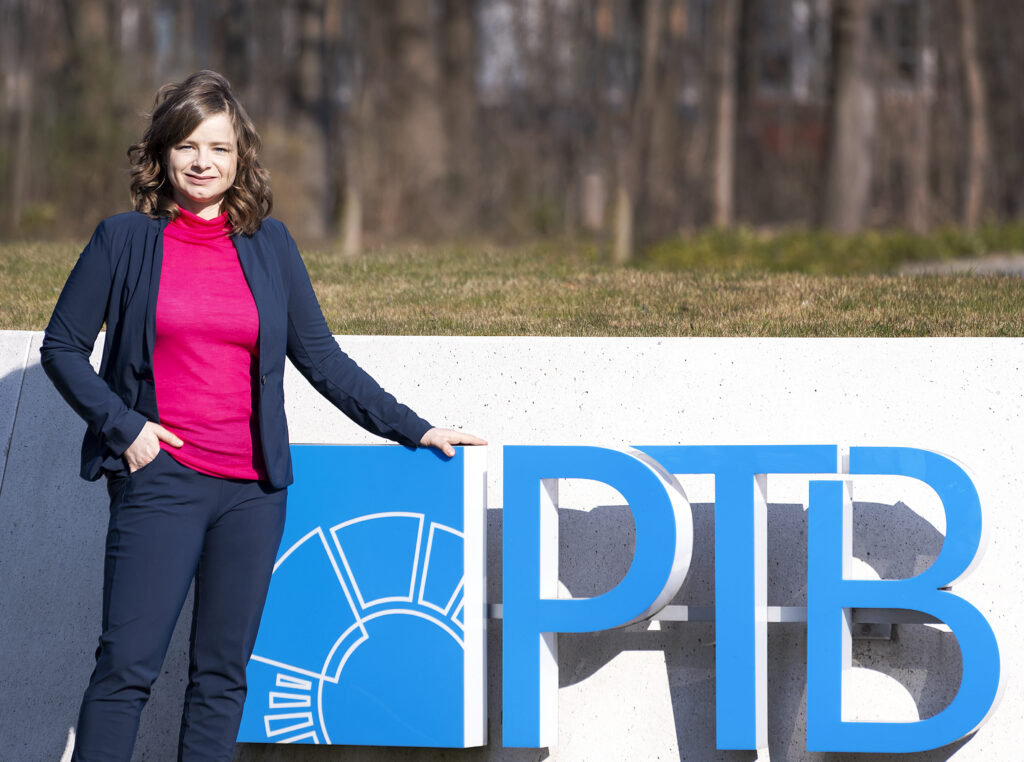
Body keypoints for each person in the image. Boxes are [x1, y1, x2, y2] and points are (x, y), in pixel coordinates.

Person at [40, 70, 485, 762]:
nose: (201, 162)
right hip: (162, 482)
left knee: (222, 678)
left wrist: (415, 426)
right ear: (160, 153)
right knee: (126, 670)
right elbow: (62, 348)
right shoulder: (123, 240)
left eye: (218, 148)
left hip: (253, 493)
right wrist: (125, 429)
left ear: (240, 157)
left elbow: (323, 360)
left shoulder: (268, 245)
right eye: (186, 145)